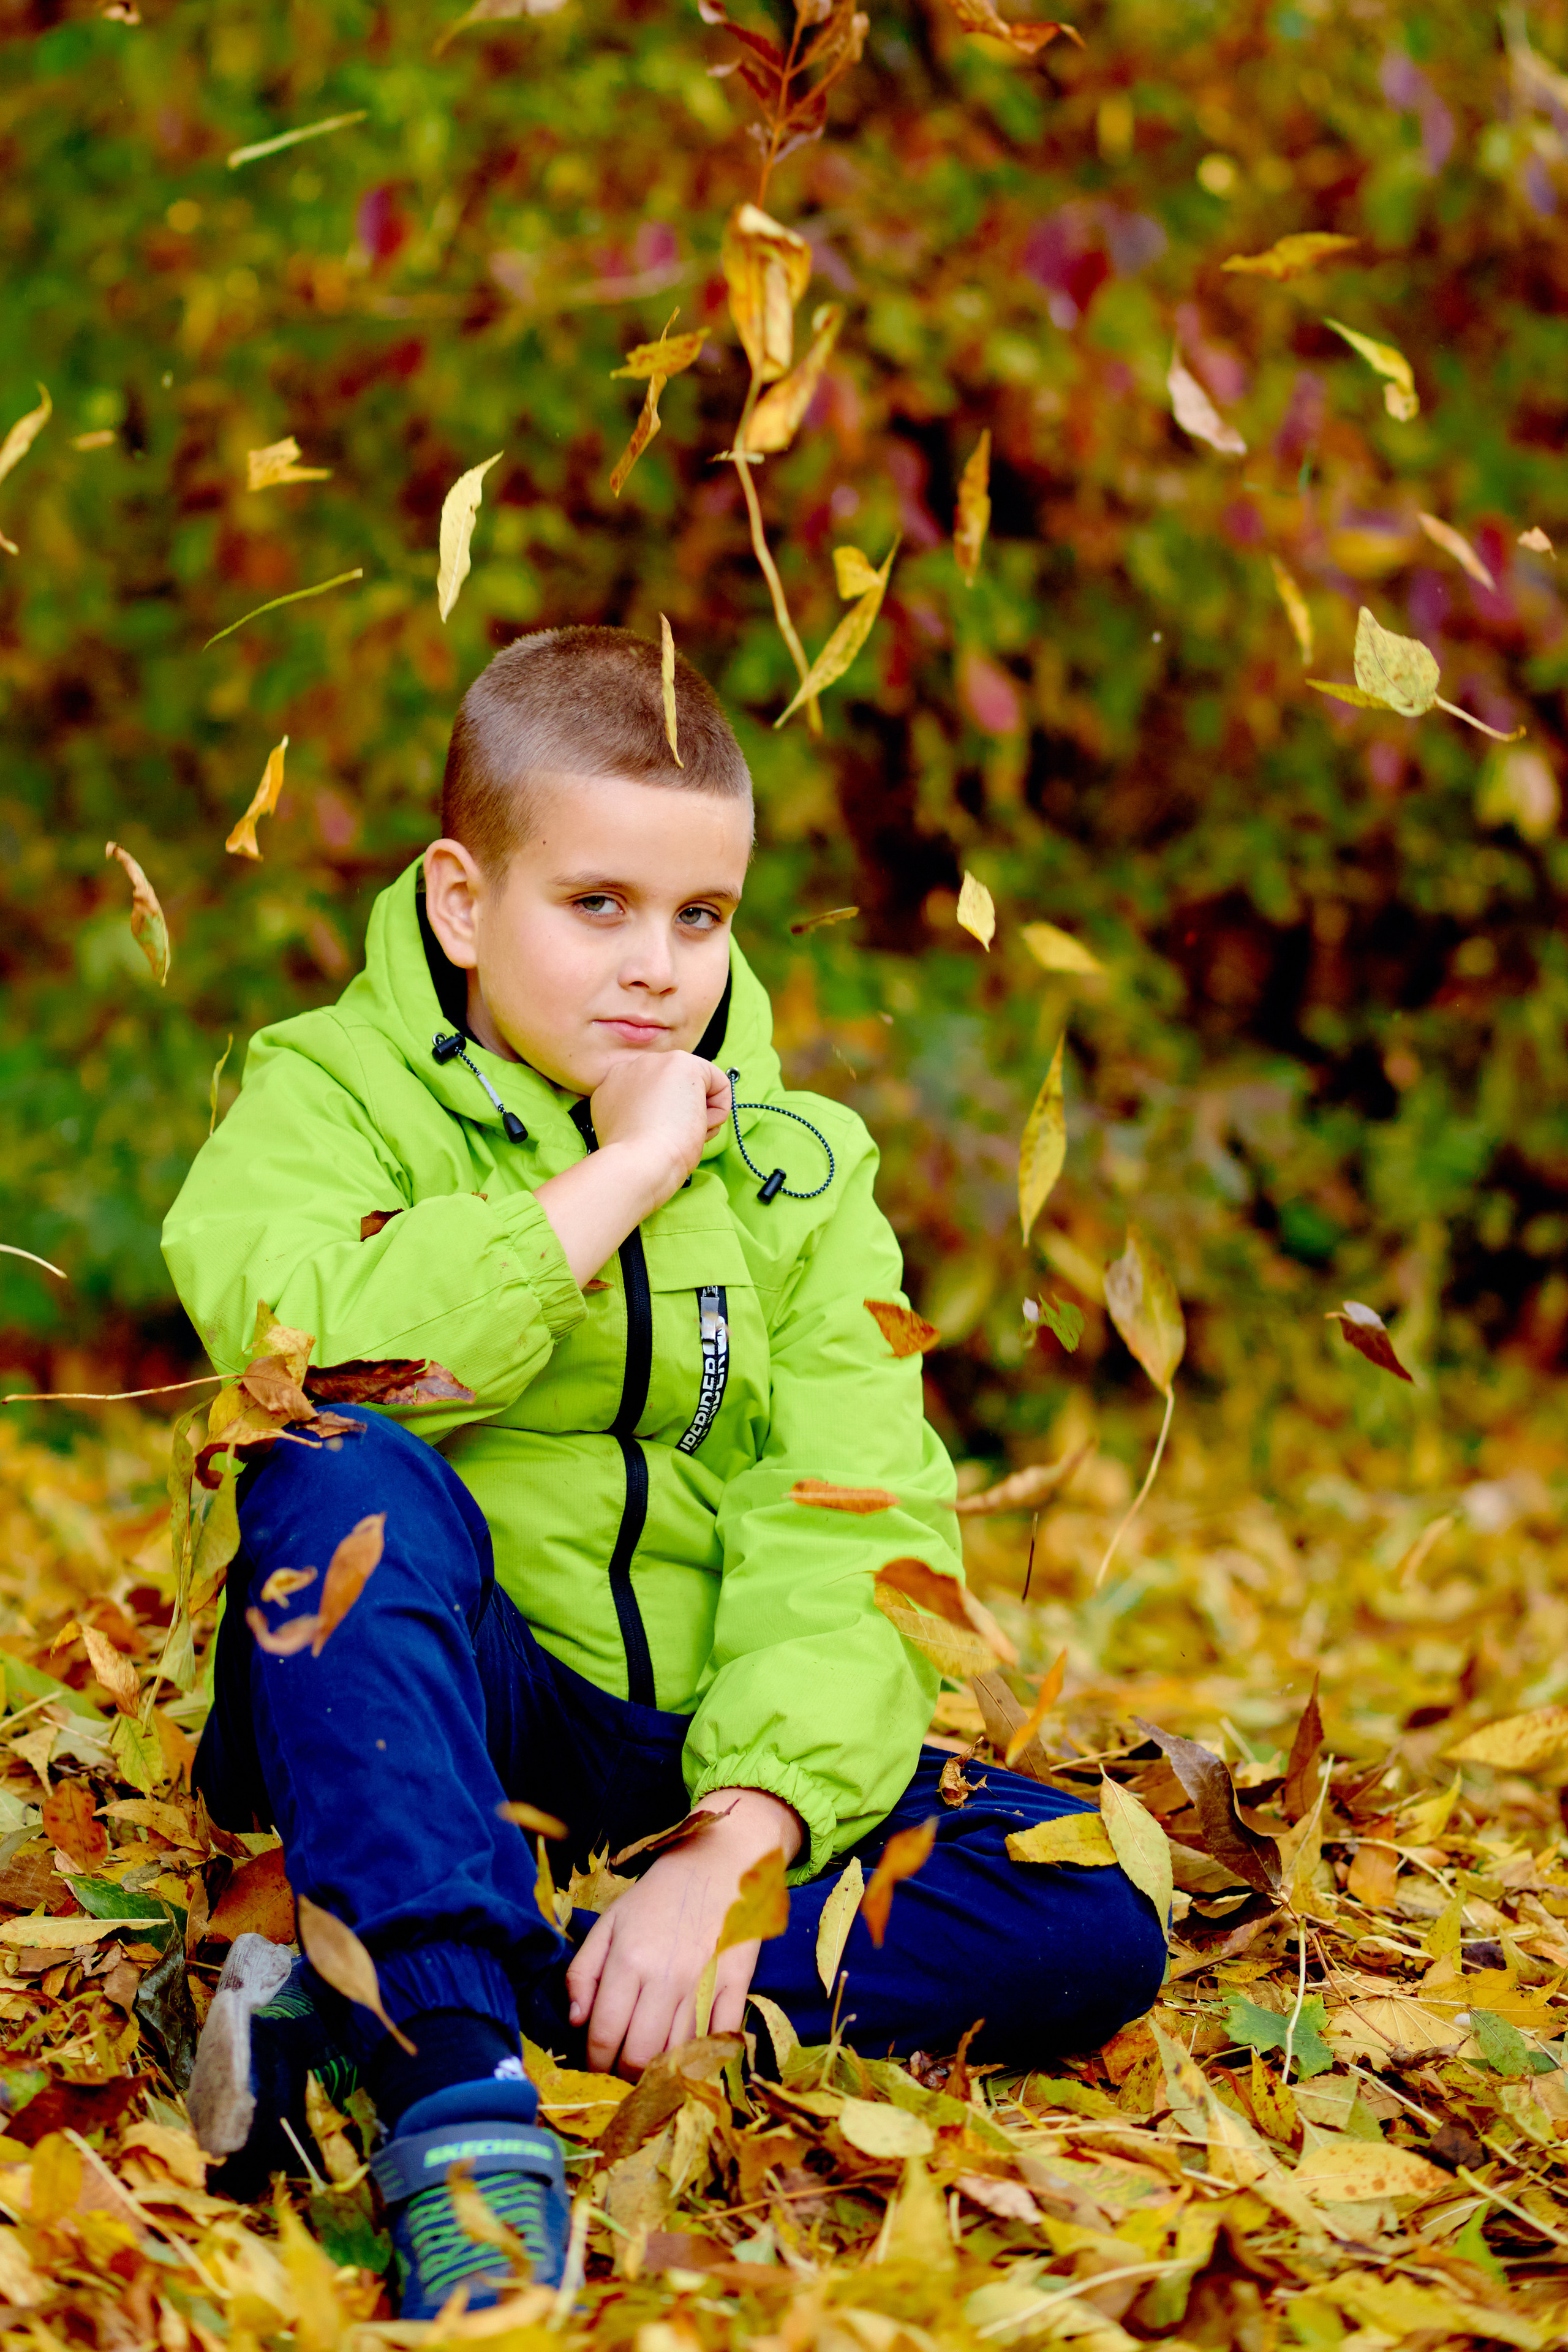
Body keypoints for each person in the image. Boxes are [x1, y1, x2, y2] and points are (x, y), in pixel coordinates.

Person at [163, 627, 1164, 2316]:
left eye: (701, 916)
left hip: (687, 1750)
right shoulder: (326, 1092)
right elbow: (308, 1353)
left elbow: (855, 1510)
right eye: (599, 905)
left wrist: (734, 1845)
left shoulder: (801, 1167)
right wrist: (616, 1181)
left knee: (1093, 1896)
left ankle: (440, 1971)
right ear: (464, 902)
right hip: (438, 1708)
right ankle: (459, 2100)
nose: (657, 967)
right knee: (335, 1465)